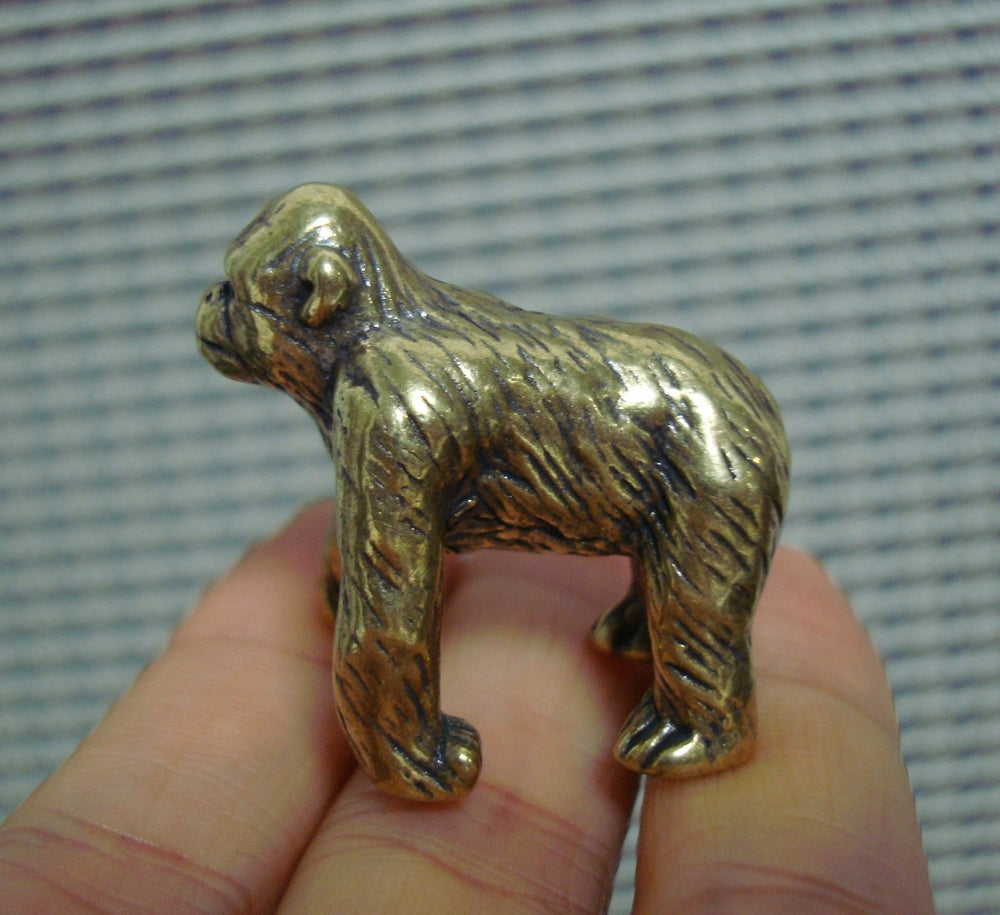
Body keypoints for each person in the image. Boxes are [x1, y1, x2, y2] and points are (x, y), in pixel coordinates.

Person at [0, 501, 935, 913]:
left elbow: (391, 573)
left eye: (249, 302)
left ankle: (708, 708)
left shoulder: (388, 396)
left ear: (320, 302)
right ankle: (656, 620)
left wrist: (406, 741)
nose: (220, 317)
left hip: (693, 445)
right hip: (686, 426)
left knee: (697, 573)